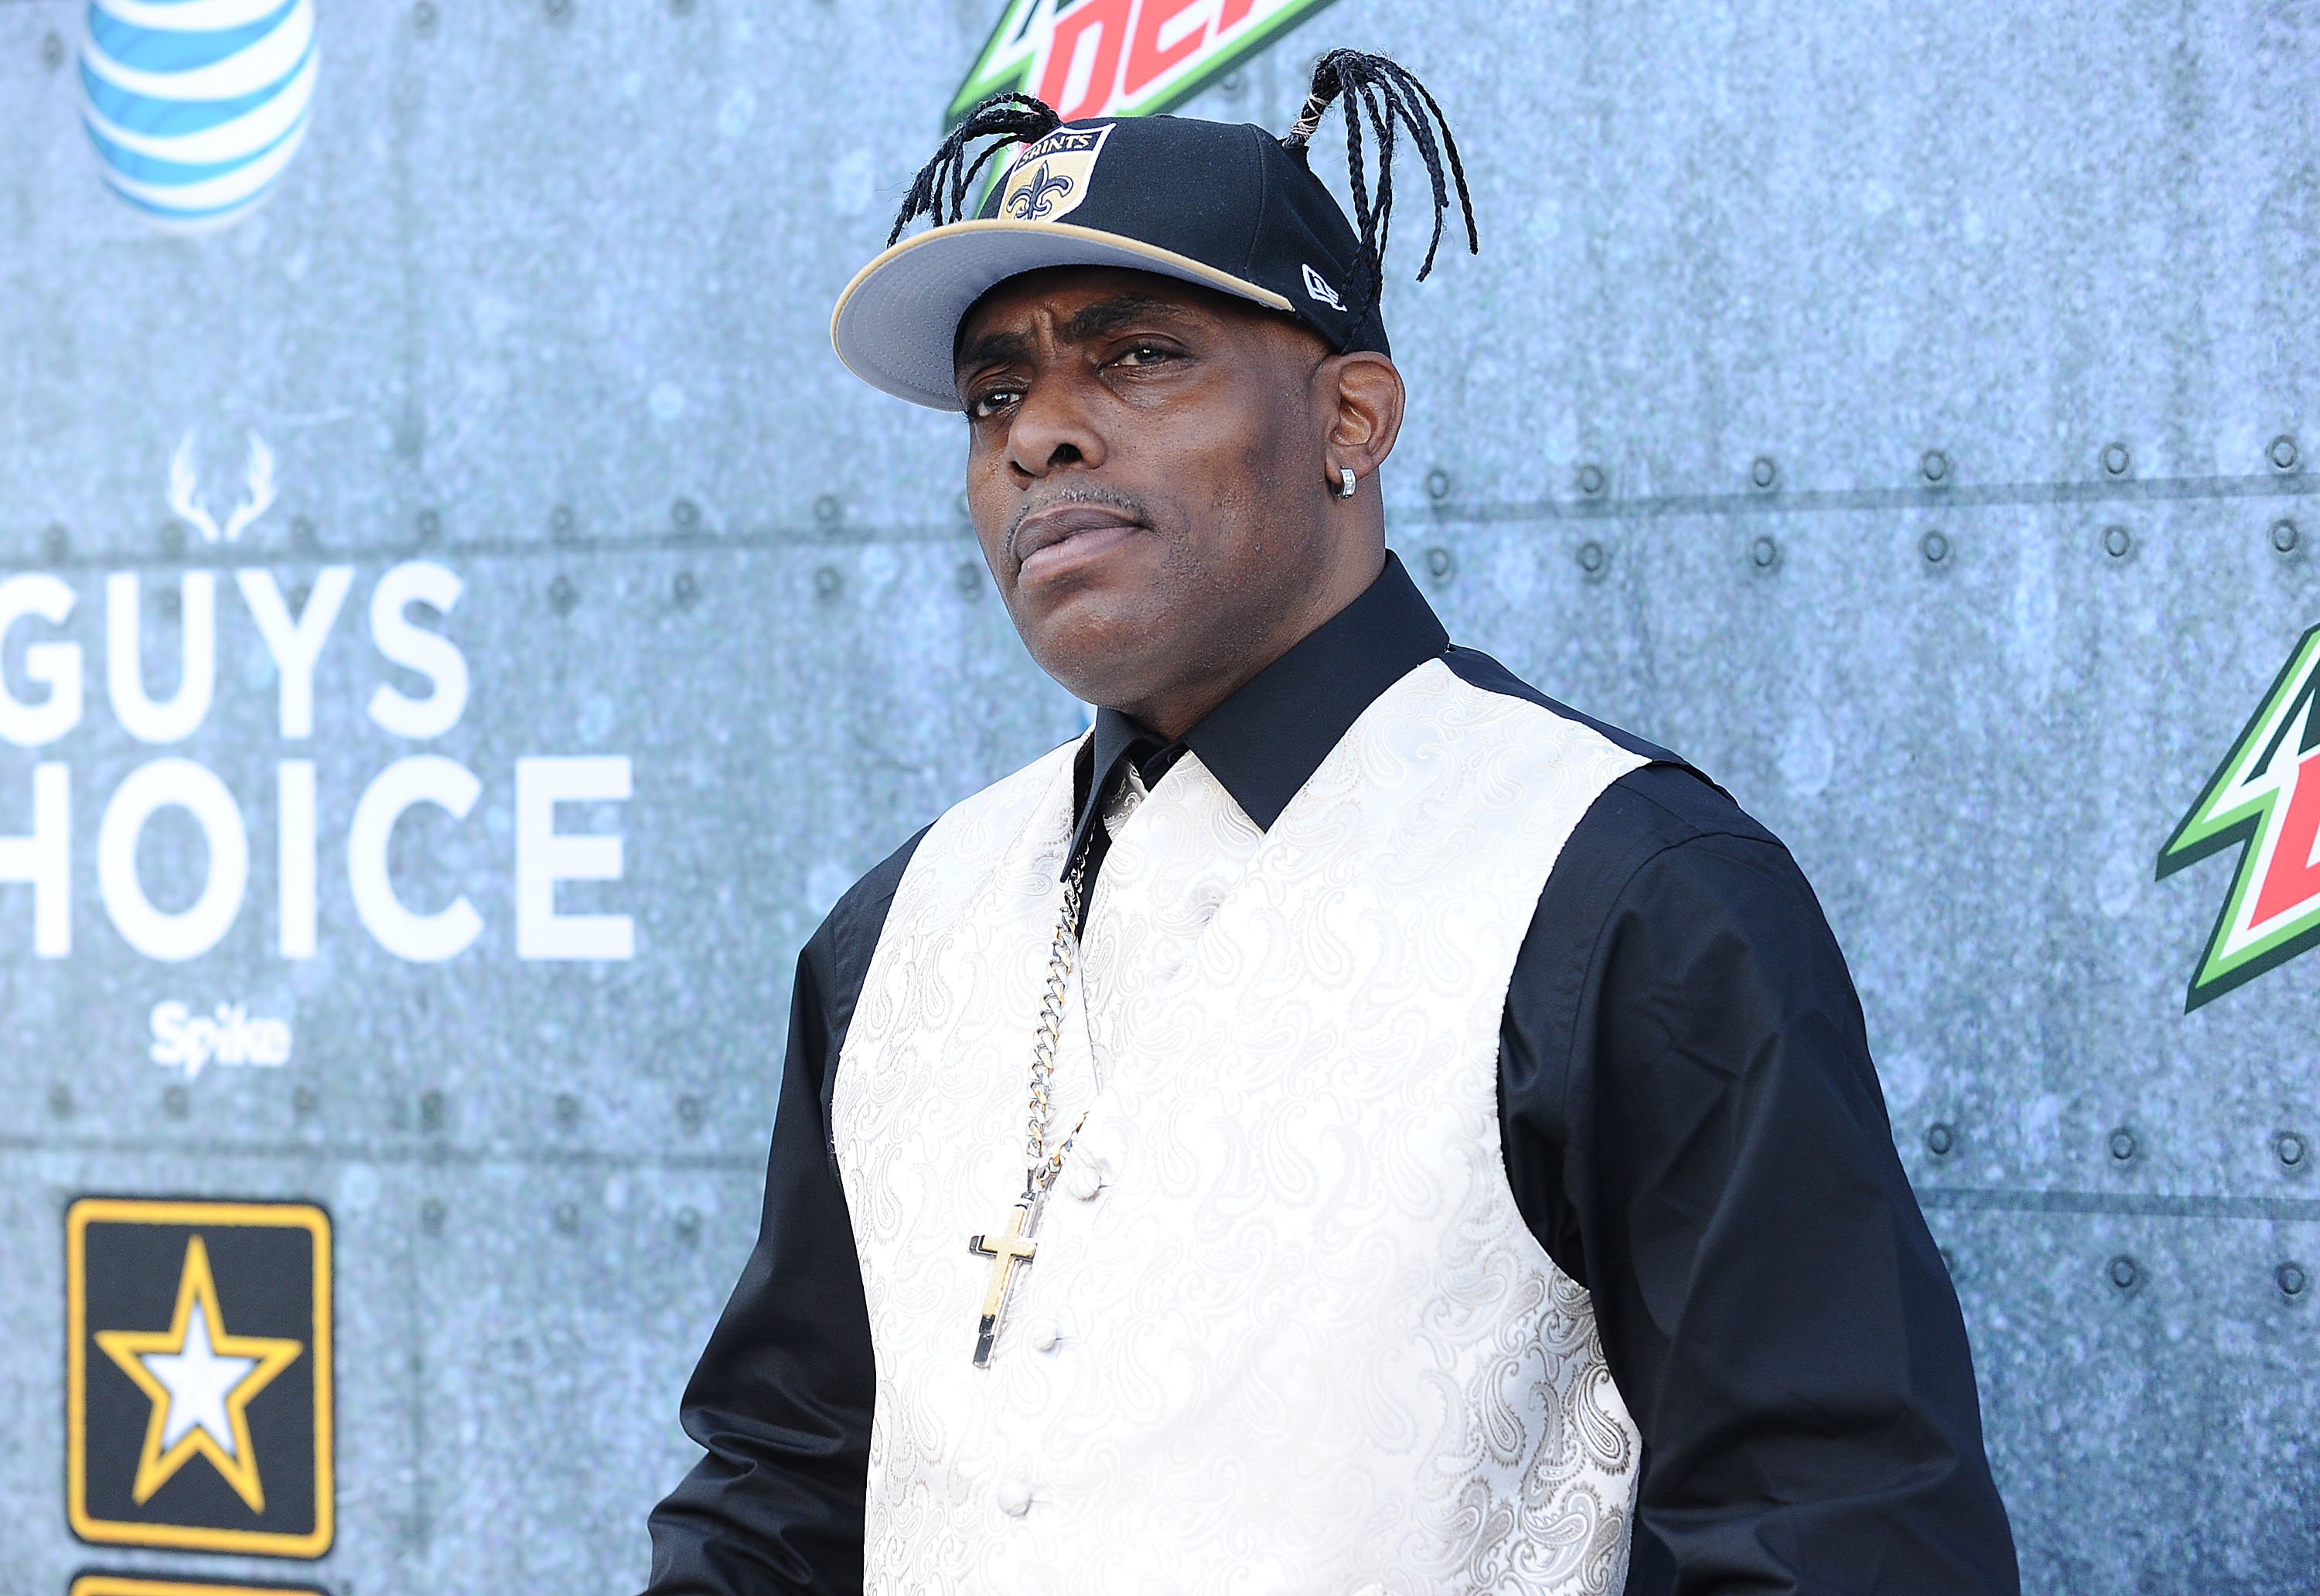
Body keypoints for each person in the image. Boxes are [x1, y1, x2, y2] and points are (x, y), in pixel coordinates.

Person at [643, 50, 2018, 1596]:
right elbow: (785, 1487)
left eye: (1141, 353)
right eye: (994, 392)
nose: (1042, 435)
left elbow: (1840, 1533)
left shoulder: (1624, 892)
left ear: (1350, 416)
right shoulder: (895, 927)